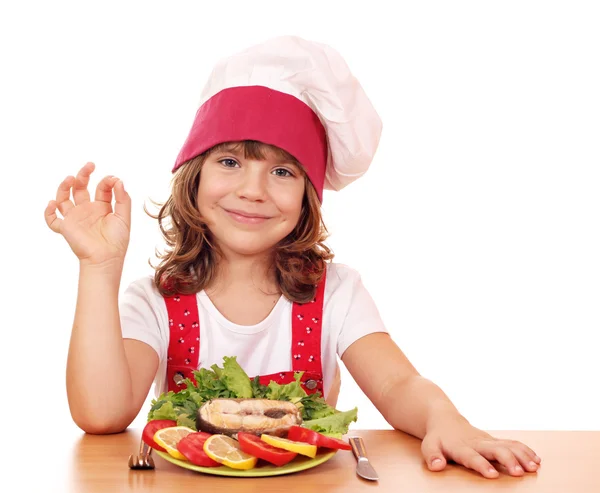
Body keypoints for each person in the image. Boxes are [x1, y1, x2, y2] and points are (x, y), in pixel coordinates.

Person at [44, 35, 541, 479]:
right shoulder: (154, 301)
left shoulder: (339, 293)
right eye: (230, 161)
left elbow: (397, 384)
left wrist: (444, 419)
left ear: (309, 195)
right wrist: (99, 268)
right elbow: (101, 414)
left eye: (283, 172)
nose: (253, 190)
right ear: (191, 177)